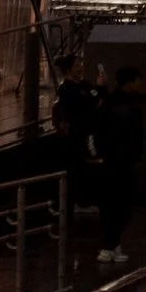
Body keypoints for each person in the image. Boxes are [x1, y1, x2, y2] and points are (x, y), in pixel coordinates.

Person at [93, 66, 146, 265]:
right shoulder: (127, 105)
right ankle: (109, 244)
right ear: (130, 82)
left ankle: (111, 243)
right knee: (119, 204)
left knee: (115, 204)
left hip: (114, 160)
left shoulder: (111, 101)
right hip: (120, 161)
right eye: (138, 81)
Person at [53, 57, 101, 215]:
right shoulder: (66, 90)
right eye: (77, 65)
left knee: (88, 164)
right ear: (68, 70)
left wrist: (100, 88)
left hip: (87, 133)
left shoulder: (84, 85)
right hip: (76, 136)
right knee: (77, 168)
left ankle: (86, 200)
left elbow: (96, 97)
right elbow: (84, 104)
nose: (81, 67)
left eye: (81, 64)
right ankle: (78, 203)